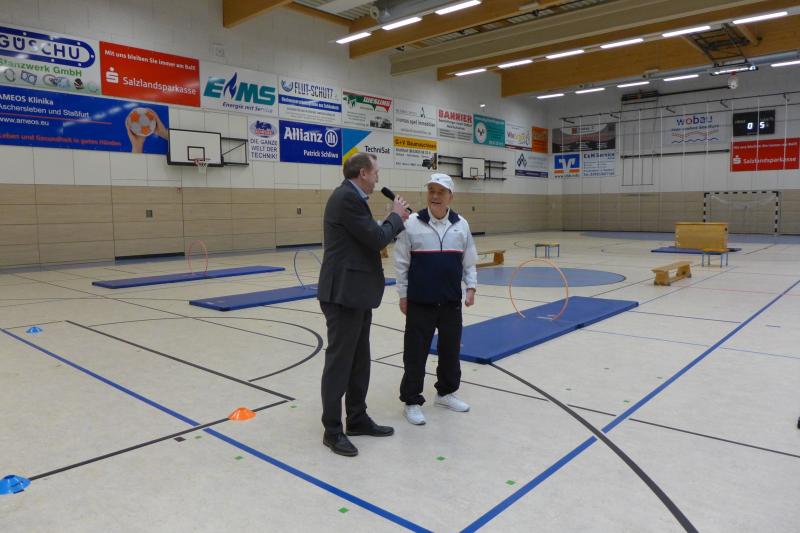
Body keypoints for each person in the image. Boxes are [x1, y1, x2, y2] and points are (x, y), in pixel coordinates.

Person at [318, 152, 410, 456]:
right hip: (343, 295)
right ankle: (333, 430)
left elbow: (368, 237)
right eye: (375, 172)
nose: (378, 178)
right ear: (362, 174)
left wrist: (392, 221)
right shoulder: (346, 198)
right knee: (340, 363)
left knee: (359, 360)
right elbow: (377, 238)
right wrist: (396, 216)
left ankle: (356, 418)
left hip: (356, 294)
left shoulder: (354, 199)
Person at [393, 173, 477, 426]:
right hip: (420, 302)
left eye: (441, 192)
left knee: (450, 351)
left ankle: (445, 393)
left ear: (451, 196)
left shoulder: (461, 225)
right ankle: (411, 401)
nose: (435, 196)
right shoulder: (411, 223)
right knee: (415, 354)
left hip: (450, 302)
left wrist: (471, 287)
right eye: (431, 191)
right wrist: (403, 295)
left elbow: (469, 260)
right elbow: (401, 262)